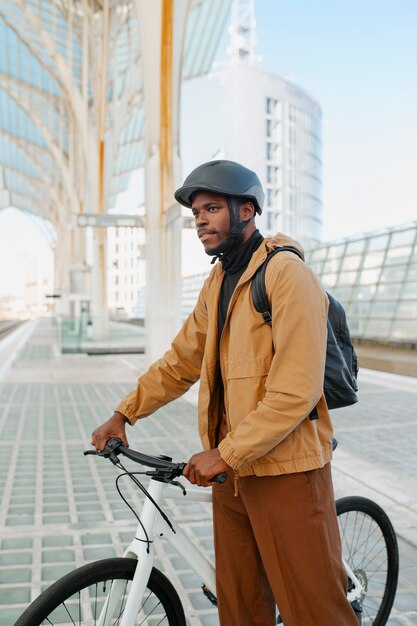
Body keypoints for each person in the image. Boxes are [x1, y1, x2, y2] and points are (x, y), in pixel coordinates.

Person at [91, 160, 358, 626]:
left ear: (247, 211)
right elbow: (180, 361)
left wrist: (226, 453)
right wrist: (124, 413)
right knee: (240, 607)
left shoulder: (285, 275)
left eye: (212, 208)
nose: (200, 221)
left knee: (315, 611)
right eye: (196, 213)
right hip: (232, 474)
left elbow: (297, 390)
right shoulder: (217, 282)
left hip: (286, 470)